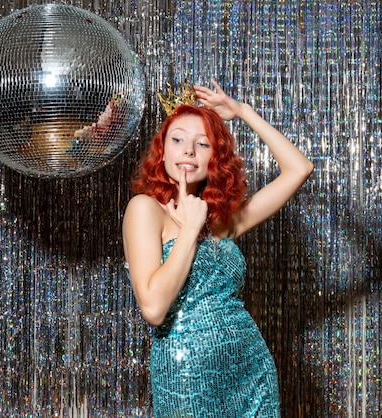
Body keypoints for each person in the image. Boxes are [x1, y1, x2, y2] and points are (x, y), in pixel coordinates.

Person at [122, 79, 313, 417]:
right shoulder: (145, 209)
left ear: (215, 156)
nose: (189, 151)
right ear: (162, 149)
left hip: (250, 368)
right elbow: (153, 309)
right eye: (178, 140)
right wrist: (190, 230)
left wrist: (243, 112)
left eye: (203, 144)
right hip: (186, 372)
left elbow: (299, 169)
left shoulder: (222, 219)